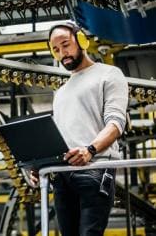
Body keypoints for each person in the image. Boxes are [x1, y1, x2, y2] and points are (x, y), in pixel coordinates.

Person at [30, 21, 128, 236]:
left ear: (81, 40)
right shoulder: (61, 91)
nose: (62, 53)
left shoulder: (109, 74)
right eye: (56, 50)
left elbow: (116, 123)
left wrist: (90, 149)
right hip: (63, 174)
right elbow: (63, 136)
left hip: (95, 168)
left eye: (65, 45)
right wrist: (40, 164)